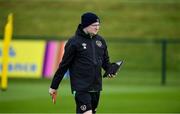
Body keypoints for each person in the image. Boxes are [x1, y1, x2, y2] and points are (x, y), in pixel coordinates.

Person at [49, 12, 116, 114]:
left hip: (96, 87)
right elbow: (64, 66)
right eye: (94, 25)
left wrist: (110, 70)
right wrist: (54, 86)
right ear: (85, 25)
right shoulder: (74, 42)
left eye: (98, 25)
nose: (97, 28)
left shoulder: (101, 41)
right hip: (81, 87)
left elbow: (105, 62)